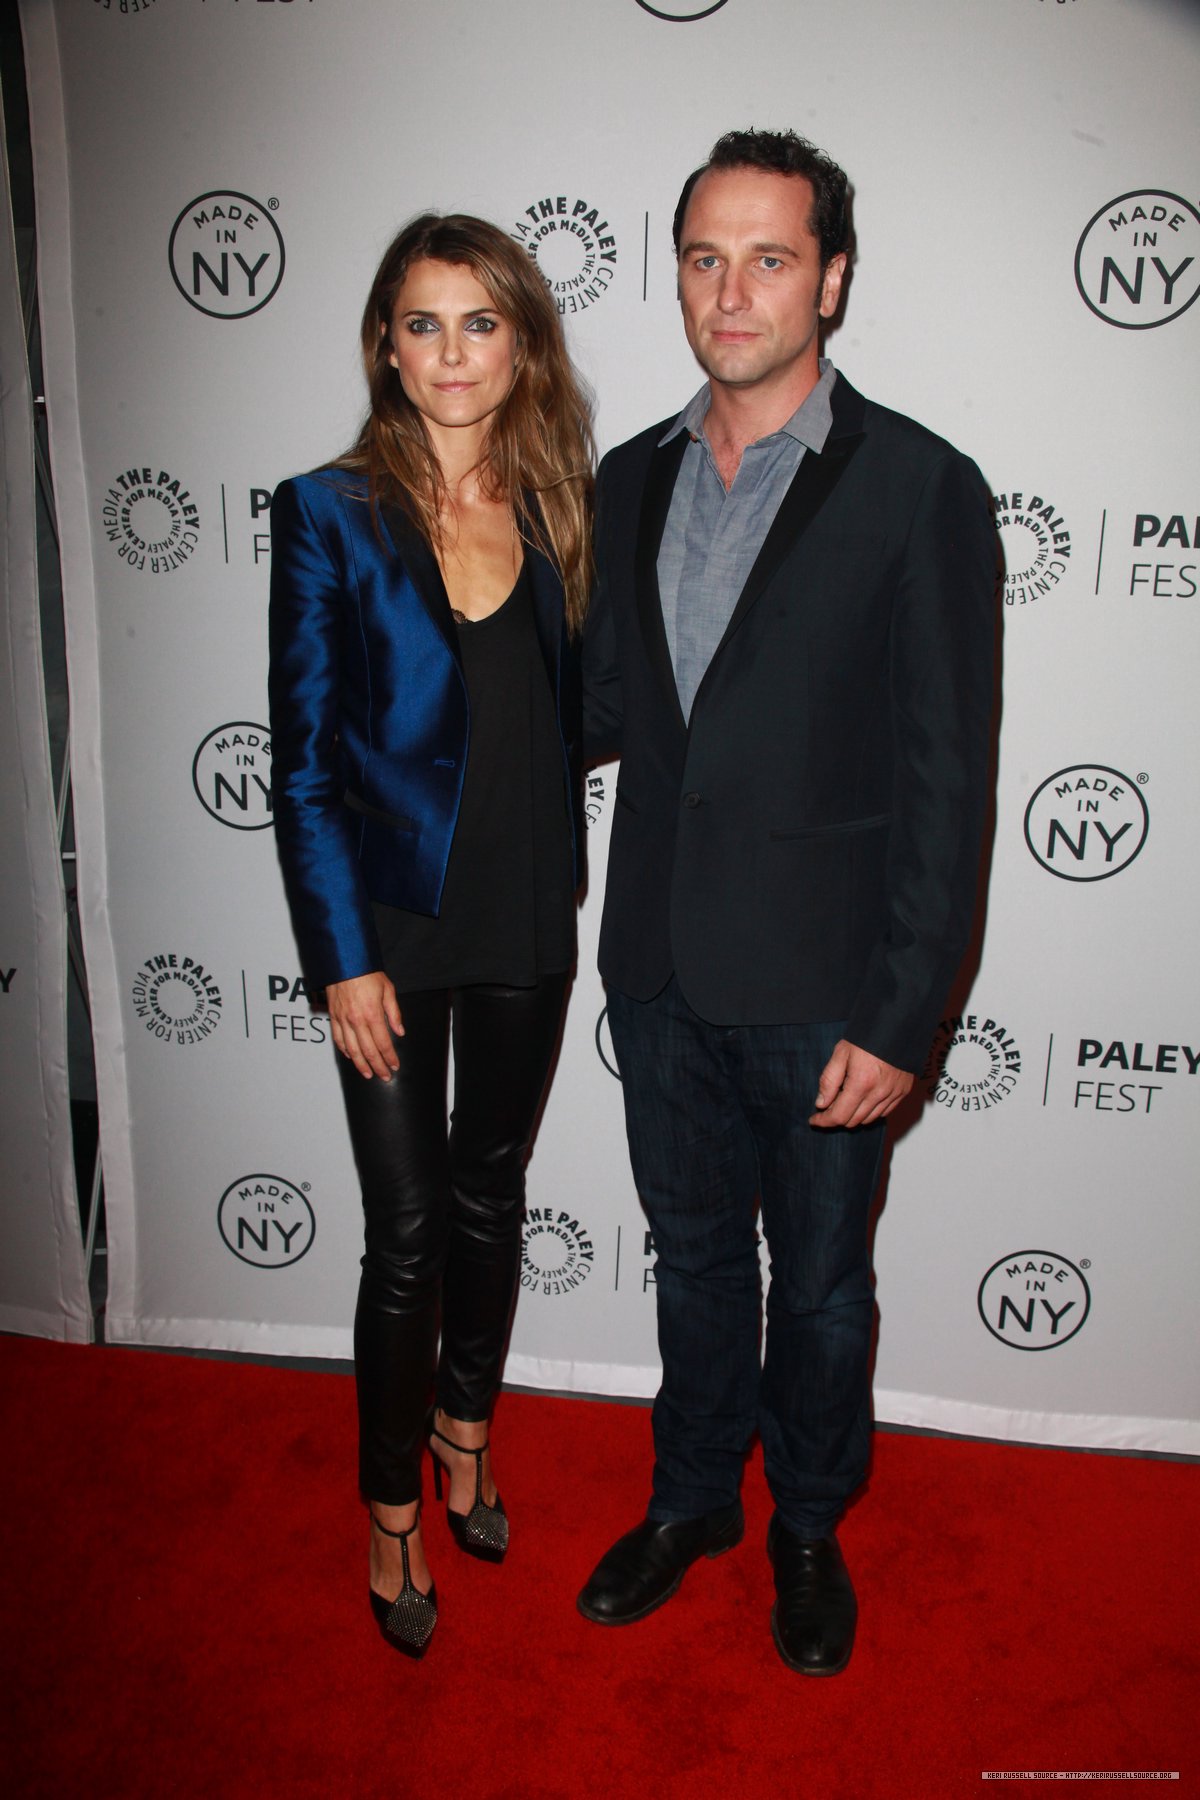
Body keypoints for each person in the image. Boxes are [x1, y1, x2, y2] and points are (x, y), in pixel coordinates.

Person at [578, 130, 995, 1675]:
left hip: (828, 989)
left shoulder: (917, 487)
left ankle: (810, 1525)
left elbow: (949, 777)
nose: (732, 289)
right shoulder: (633, 479)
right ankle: (693, 1500)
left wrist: (905, 1015)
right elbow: (603, 710)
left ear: (830, 277)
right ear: (676, 272)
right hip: (663, 974)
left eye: (768, 257)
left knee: (819, 1285)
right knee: (692, 1262)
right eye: (704, 255)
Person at [269, 213, 593, 1658]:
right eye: (423, 322)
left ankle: (468, 1430)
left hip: (525, 905)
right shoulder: (328, 510)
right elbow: (304, 762)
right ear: (384, 345)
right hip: (389, 929)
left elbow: (577, 711)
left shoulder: (560, 502)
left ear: (519, 341)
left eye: (479, 322)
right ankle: (391, 1506)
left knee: (491, 1193)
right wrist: (340, 954)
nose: (450, 352)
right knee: (403, 1233)